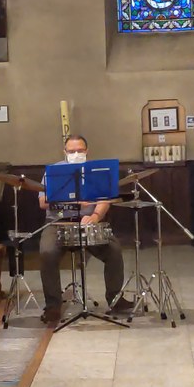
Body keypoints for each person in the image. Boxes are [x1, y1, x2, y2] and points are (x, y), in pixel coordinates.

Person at [37, 134, 127, 325]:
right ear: (64, 152)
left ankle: (115, 299)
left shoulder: (97, 172)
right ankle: (53, 306)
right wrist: (73, 201)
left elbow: (105, 199)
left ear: (87, 151)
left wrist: (95, 216)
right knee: (47, 252)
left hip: (87, 221)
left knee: (113, 249)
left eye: (80, 150)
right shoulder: (53, 172)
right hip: (58, 222)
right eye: (72, 151)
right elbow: (43, 202)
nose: (76, 154)